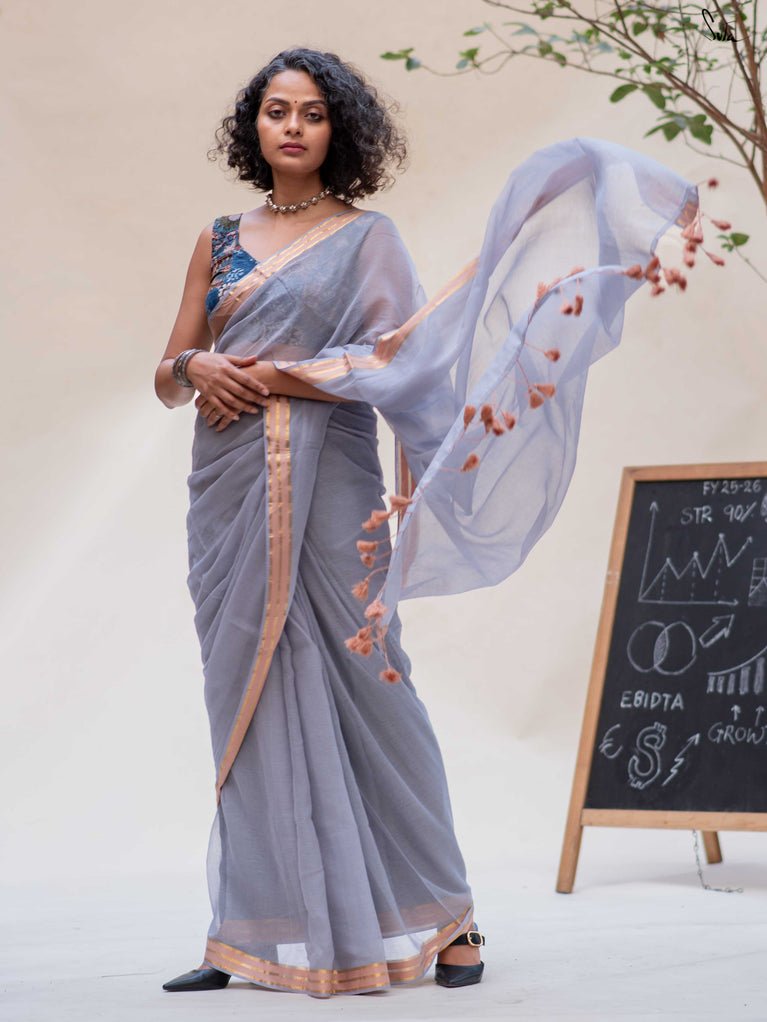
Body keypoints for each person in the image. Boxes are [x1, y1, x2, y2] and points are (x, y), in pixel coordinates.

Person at [155, 46, 699, 999]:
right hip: (228, 488)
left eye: (312, 112)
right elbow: (167, 375)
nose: (292, 126)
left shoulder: (366, 238)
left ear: (339, 130)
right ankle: (249, 931)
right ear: (253, 126)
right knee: (242, 689)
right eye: (276, 110)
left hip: (331, 485)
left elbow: (404, 364)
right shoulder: (217, 237)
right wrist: (193, 367)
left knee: (376, 688)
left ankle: (452, 919)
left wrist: (283, 376)